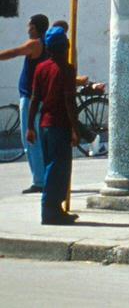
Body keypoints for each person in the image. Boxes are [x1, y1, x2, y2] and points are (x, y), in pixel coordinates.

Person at [27, 29, 78, 225]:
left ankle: (54, 209)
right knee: (59, 169)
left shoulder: (41, 68)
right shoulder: (66, 69)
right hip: (59, 126)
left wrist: (30, 126)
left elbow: (34, 99)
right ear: (65, 47)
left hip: (44, 126)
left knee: (51, 166)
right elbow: (69, 102)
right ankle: (50, 210)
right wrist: (75, 128)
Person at [0, 13, 50, 193]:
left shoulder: (35, 44)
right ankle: (44, 177)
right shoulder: (47, 43)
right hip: (40, 97)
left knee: (29, 139)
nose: (27, 29)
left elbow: (14, 52)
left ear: (35, 27)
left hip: (30, 98)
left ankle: (39, 181)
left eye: (29, 26)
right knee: (39, 139)